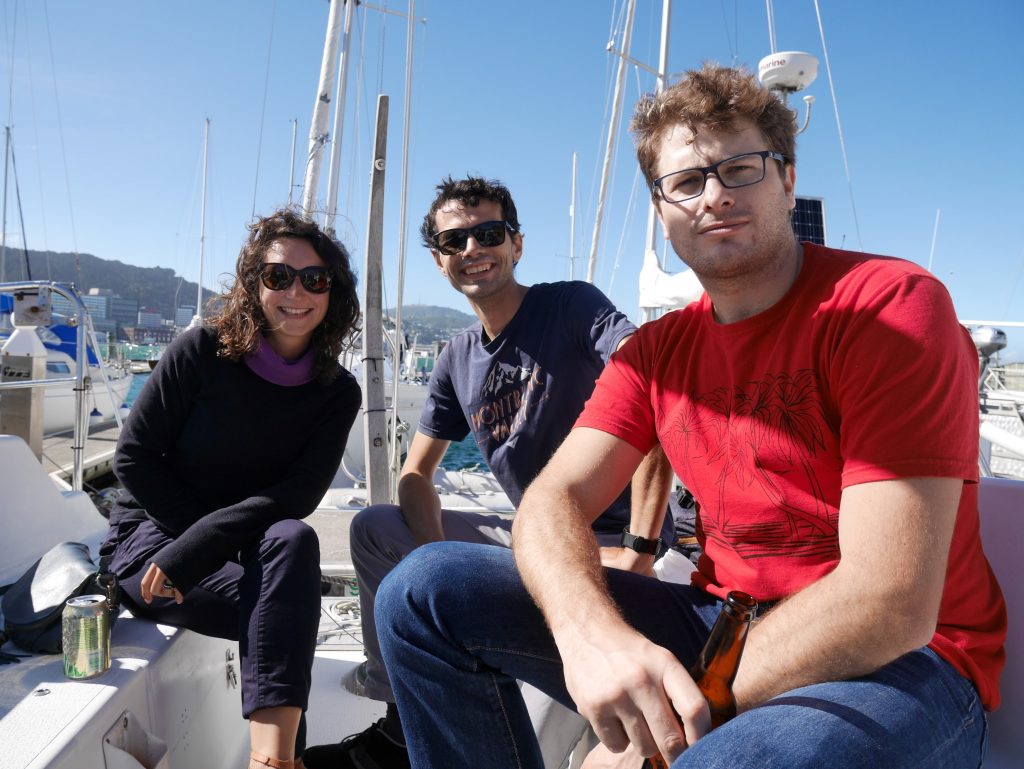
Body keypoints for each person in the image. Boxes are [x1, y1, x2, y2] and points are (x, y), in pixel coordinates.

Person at [372, 64, 1008, 769]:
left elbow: (888, 600)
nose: (715, 196)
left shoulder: (887, 307)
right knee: (421, 593)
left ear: (787, 178)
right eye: (686, 182)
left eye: (740, 168)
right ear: (660, 207)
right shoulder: (656, 353)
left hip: (906, 664)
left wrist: (664, 728)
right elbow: (552, 500)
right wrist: (591, 638)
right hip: (721, 624)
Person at [302, 176, 675, 769]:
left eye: (489, 233)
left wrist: (640, 548)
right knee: (374, 527)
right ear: (439, 260)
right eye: (456, 241)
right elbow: (416, 476)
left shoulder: (571, 306)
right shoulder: (456, 357)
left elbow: (653, 384)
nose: (473, 249)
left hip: (610, 537)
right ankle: (404, 710)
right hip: (536, 536)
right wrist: (436, 560)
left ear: (517, 245)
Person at [100, 209, 362, 769]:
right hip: (154, 543)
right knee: (282, 610)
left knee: (293, 538)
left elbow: (298, 494)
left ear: (334, 292)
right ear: (253, 283)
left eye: (315, 279)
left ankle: (269, 762)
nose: (296, 291)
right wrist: (190, 545)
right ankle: (283, 760)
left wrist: (208, 543)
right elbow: (134, 458)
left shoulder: (337, 391)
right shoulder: (201, 353)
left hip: (235, 548)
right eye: (278, 276)